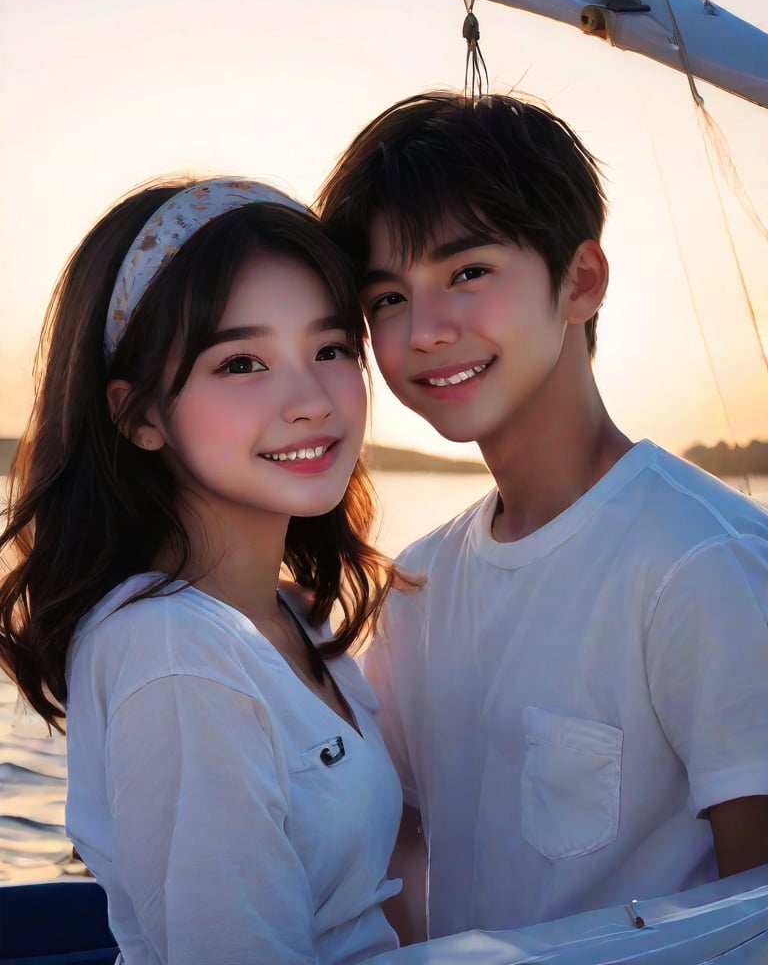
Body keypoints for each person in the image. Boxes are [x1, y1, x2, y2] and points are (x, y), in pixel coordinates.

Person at [315, 91, 768, 941]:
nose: (424, 332)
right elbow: (401, 845)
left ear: (580, 282)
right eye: (386, 299)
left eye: (468, 273)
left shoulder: (702, 564)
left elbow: (760, 910)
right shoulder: (417, 583)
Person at [0, 176, 404, 965]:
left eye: (329, 349)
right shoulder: (176, 654)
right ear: (140, 415)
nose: (312, 400)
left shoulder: (289, 612)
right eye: (243, 362)